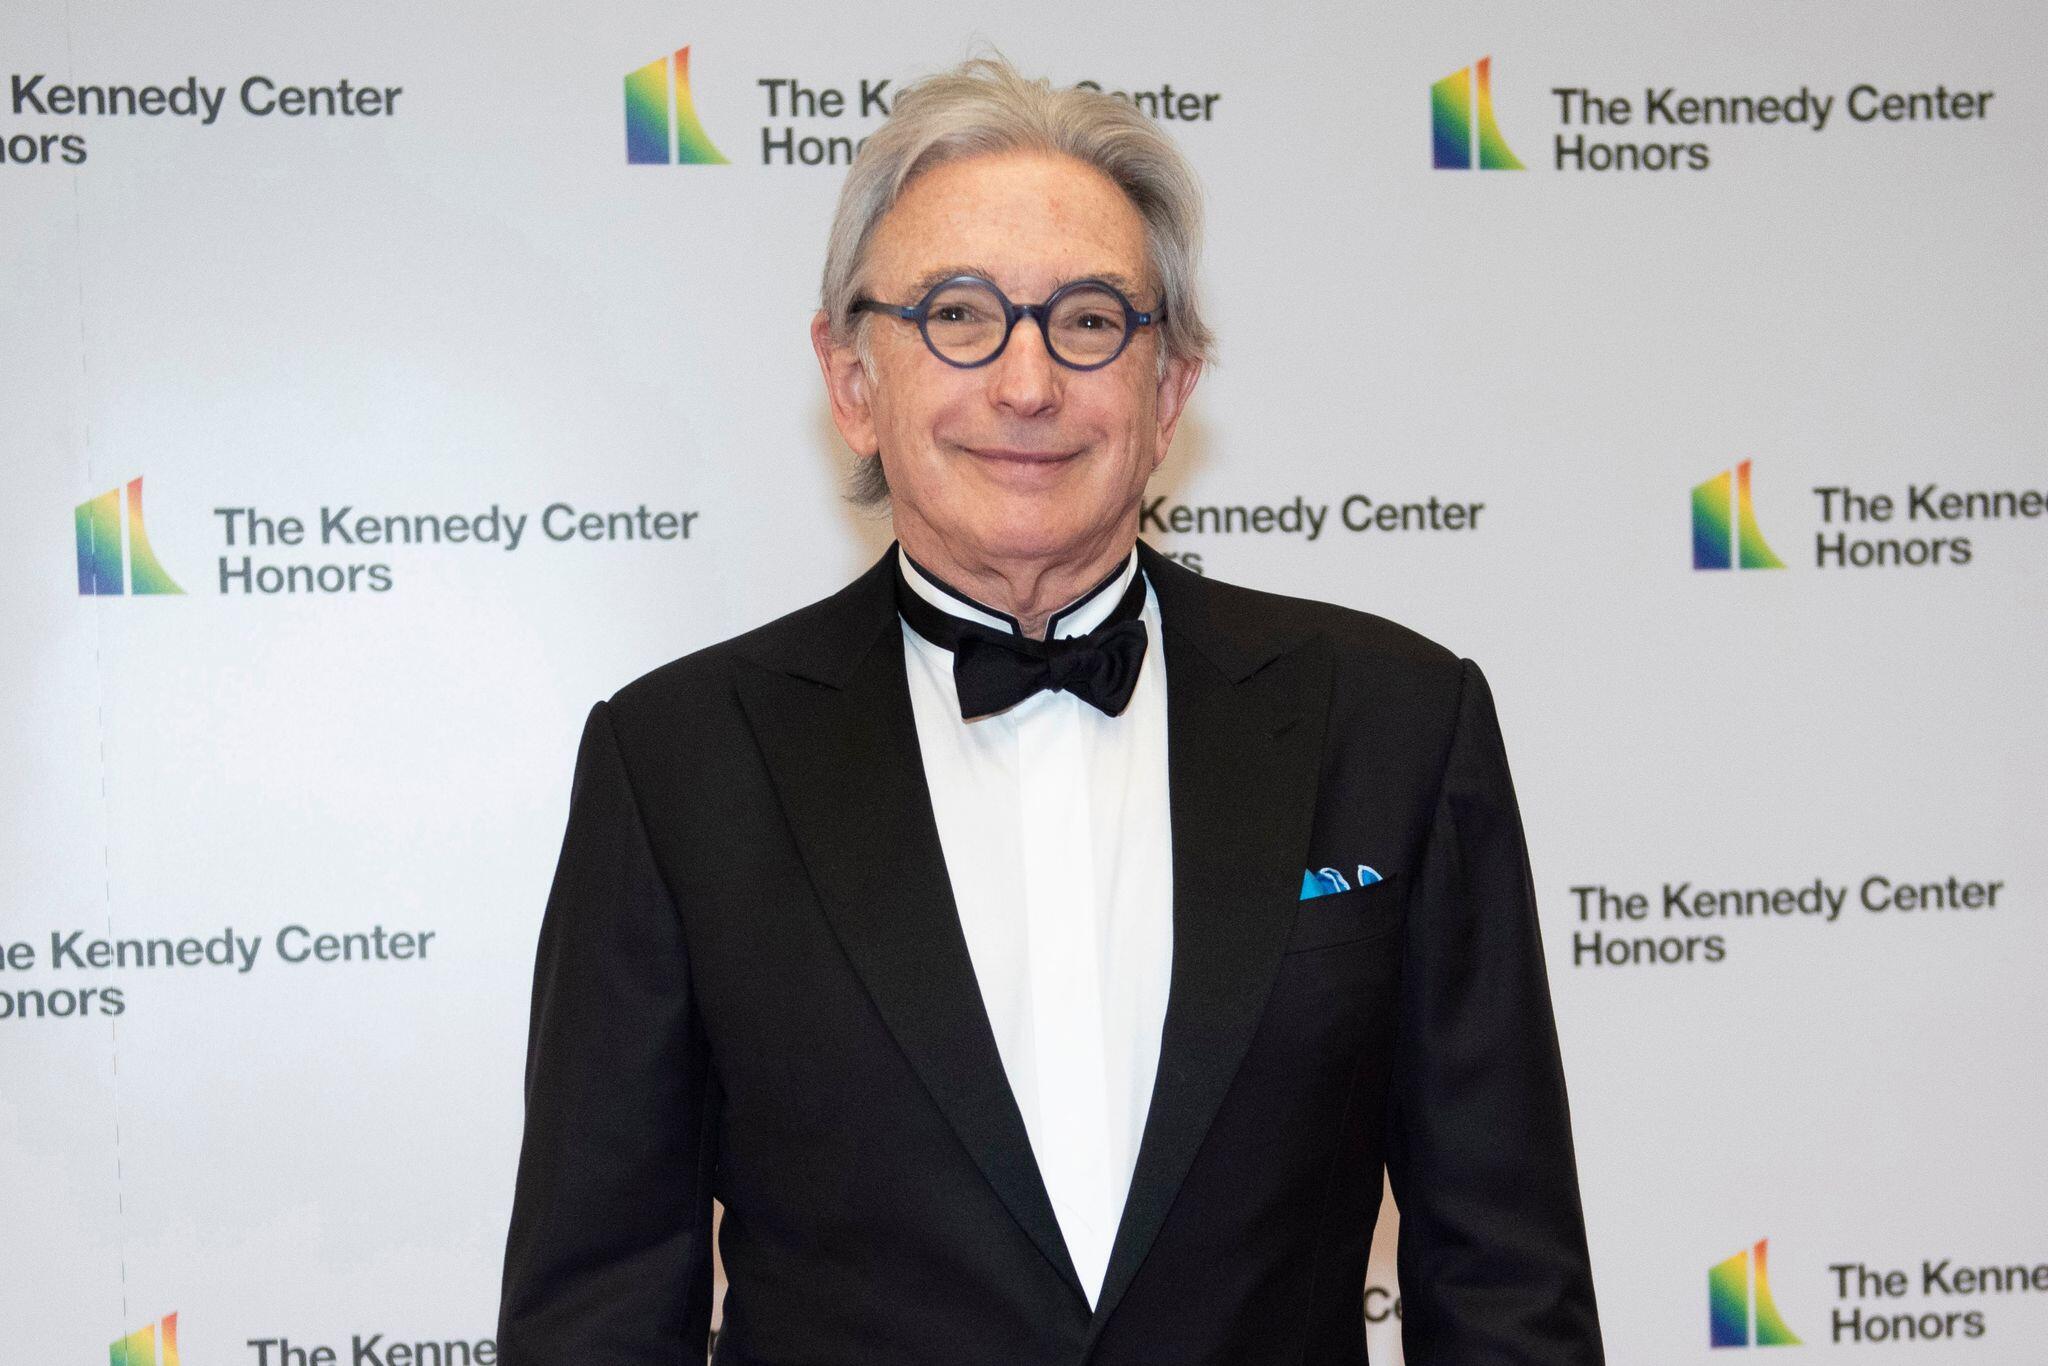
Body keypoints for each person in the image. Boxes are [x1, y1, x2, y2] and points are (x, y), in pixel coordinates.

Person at [497, 56, 1603, 1366]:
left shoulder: (1396, 725)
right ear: (852, 380)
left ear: (1169, 390)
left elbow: (1507, 1286)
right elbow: (597, 1312)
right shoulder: (677, 763)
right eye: (957, 314)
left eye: (1089, 320)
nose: (1027, 384)